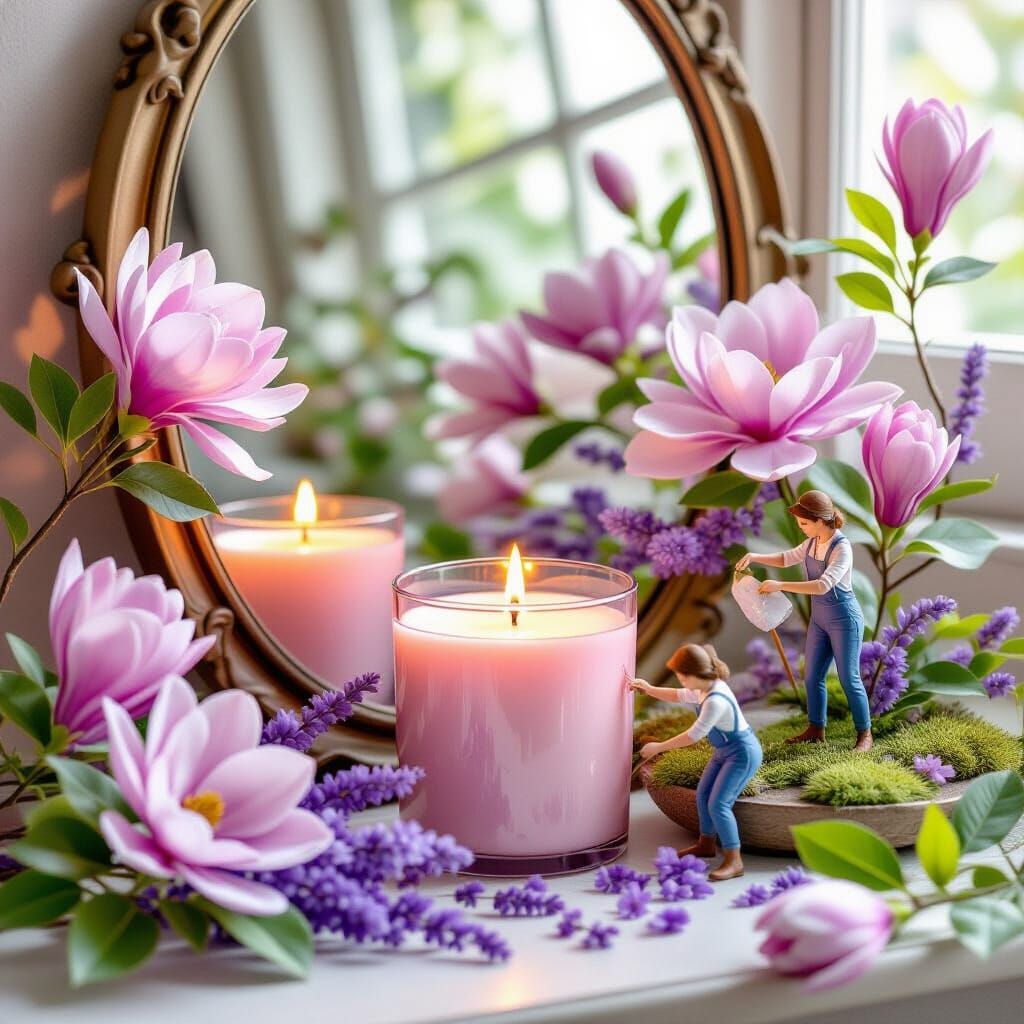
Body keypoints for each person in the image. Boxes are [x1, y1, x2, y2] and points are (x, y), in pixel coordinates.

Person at [736, 489, 872, 752]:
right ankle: (815, 728)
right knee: (811, 676)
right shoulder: (811, 543)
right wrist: (754, 556)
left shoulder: (841, 548)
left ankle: (864, 733)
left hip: (844, 619)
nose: (801, 529)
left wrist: (780, 586)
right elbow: (786, 558)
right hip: (819, 620)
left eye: (804, 524)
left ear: (821, 520)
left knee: (848, 678)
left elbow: (823, 585)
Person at [628, 643, 762, 881]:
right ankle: (706, 844)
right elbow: (676, 695)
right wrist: (648, 689)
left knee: (719, 804)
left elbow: (693, 735)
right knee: (702, 795)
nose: (682, 683)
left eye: (683, 677)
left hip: (742, 753)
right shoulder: (703, 688)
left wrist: (658, 747)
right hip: (723, 751)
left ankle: (734, 859)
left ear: (696, 674)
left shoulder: (715, 700)